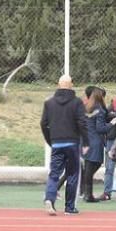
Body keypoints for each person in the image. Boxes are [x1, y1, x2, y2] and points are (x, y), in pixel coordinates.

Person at [41, 75, 88, 216]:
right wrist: (86, 141)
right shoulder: (77, 102)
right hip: (72, 142)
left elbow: (43, 124)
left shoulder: (49, 103)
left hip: (57, 142)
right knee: (72, 173)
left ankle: (50, 198)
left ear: (58, 84)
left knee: (54, 173)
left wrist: (51, 140)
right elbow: (81, 122)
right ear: (71, 85)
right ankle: (69, 207)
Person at [81, 86, 110, 203]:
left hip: (87, 140)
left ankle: (86, 193)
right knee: (95, 164)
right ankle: (88, 194)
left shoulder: (87, 108)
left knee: (88, 167)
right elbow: (100, 128)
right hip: (96, 141)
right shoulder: (100, 110)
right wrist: (111, 124)